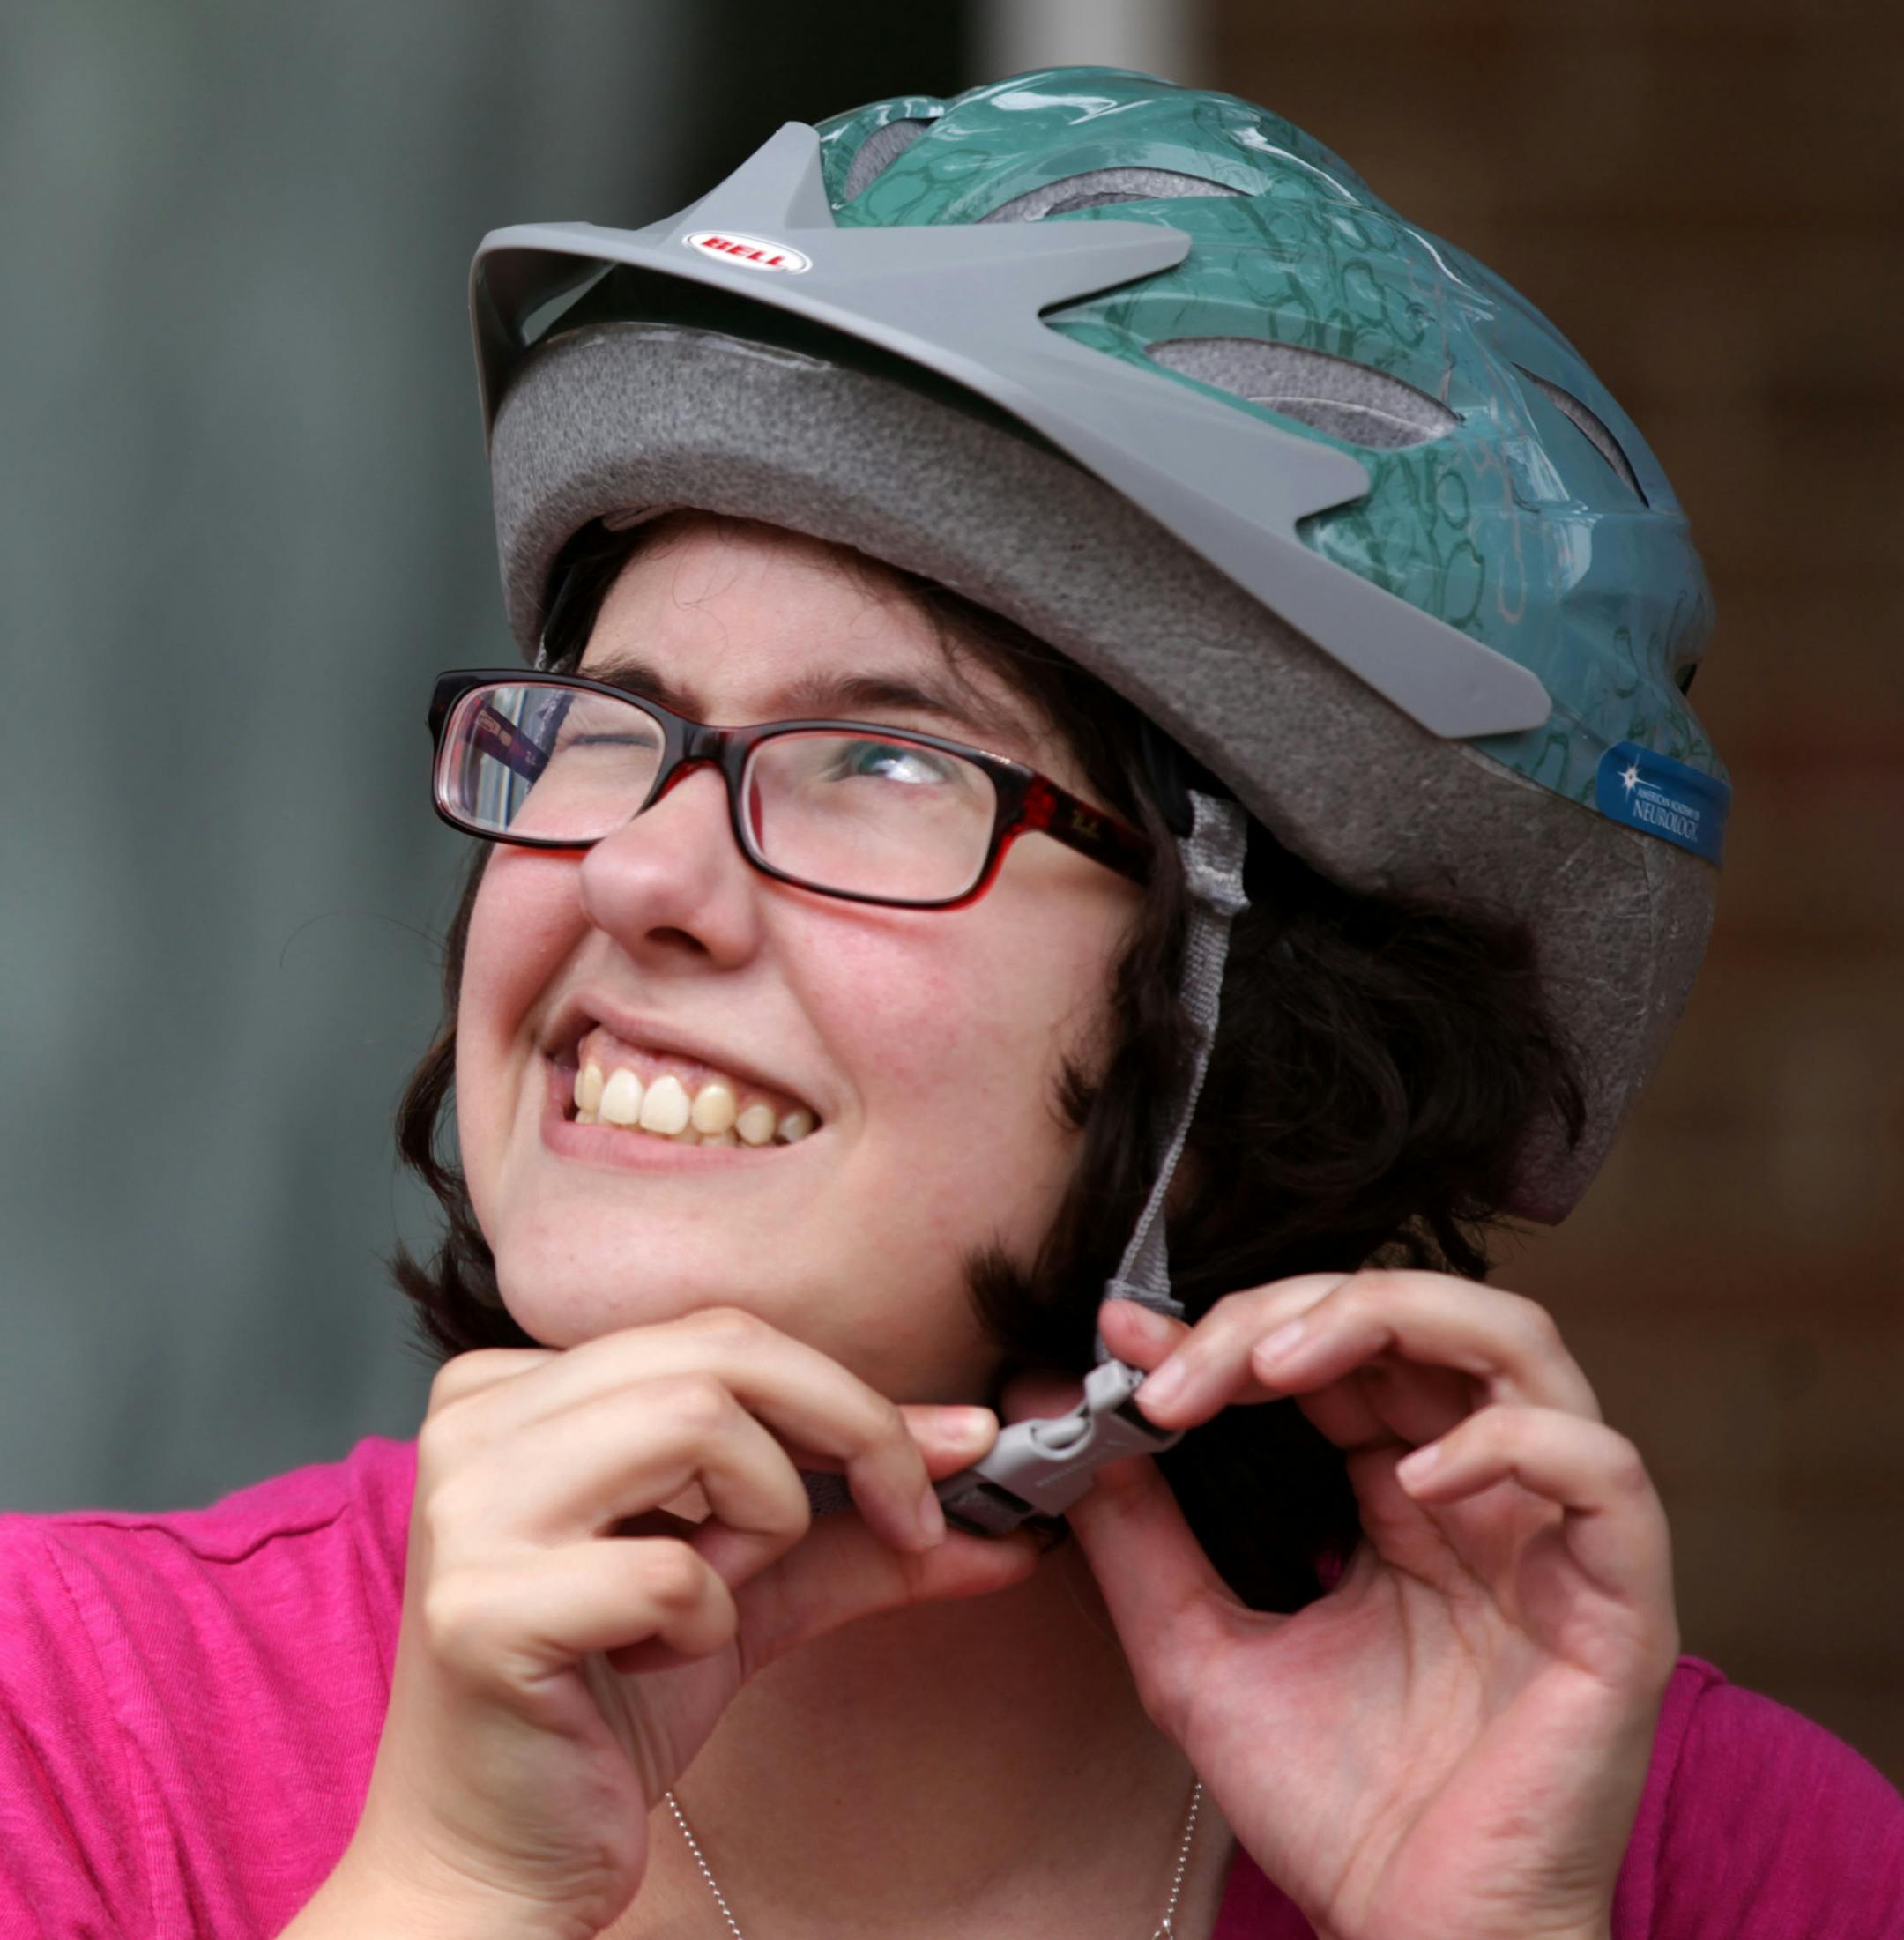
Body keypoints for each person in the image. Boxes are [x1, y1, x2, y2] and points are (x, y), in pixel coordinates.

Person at [3, 67, 1900, 1940]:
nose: (639, 875)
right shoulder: (69, 1734)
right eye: (602, 729)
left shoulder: (1718, 1867)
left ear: (1260, 1025)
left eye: (886, 763)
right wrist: (447, 1898)